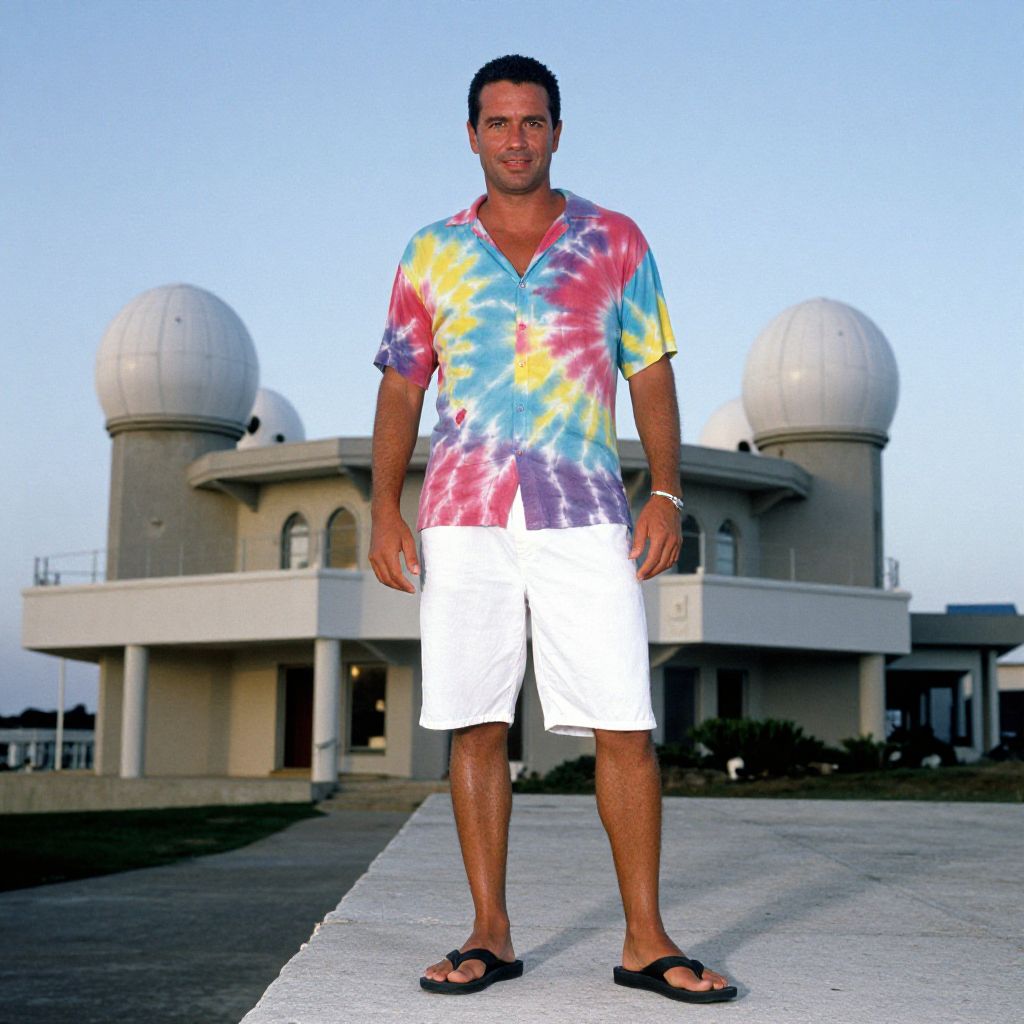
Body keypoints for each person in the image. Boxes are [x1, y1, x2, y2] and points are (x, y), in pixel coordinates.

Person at [369, 54, 736, 1005]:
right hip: (463, 515)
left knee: (624, 721)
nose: (517, 138)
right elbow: (403, 382)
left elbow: (648, 371)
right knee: (476, 721)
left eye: (533, 122)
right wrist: (380, 507)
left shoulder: (614, 240)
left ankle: (645, 941)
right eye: (499, 123)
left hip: (583, 513)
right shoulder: (429, 252)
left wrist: (665, 492)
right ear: (473, 135)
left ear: (557, 132)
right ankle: (489, 932)